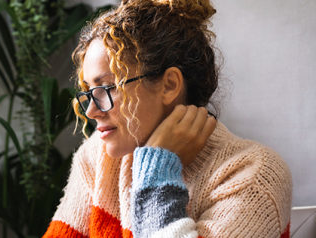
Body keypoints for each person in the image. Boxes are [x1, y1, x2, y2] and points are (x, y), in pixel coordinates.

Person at [42, 0, 293, 237]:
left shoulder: (255, 175)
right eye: (89, 91)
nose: (91, 112)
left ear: (169, 85)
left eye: (108, 87)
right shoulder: (97, 158)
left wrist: (157, 169)